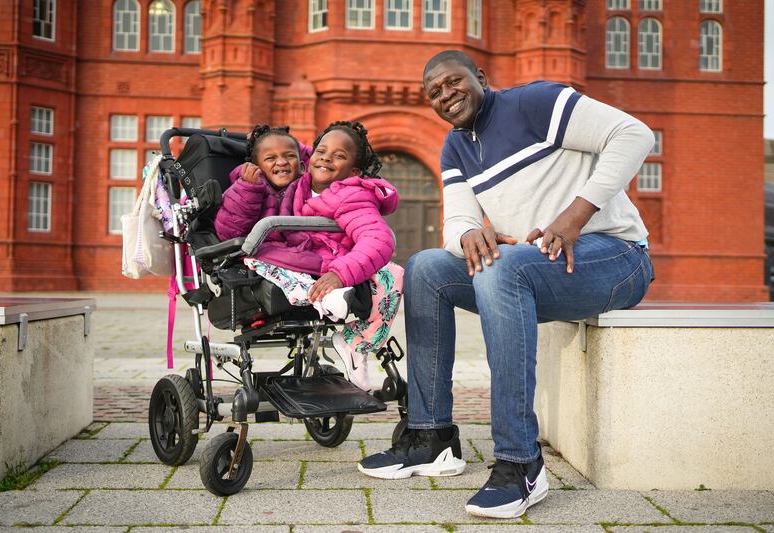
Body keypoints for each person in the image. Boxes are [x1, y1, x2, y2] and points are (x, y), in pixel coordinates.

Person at [358, 50, 655, 519]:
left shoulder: (536, 102)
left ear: (480, 77)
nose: (445, 95)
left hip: (617, 256)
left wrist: (575, 216)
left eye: (453, 82)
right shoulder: (456, 146)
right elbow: (455, 220)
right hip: (541, 266)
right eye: (434, 93)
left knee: (504, 267)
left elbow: (634, 134)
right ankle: (431, 436)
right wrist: (469, 234)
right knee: (427, 268)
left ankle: (521, 463)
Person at [218, 120, 404, 392]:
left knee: (392, 274)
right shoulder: (285, 181)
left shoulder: (350, 193)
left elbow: (378, 239)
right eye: (321, 152)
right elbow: (229, 230)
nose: (327, 158)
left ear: (352, 170)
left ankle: (355, 342)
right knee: (262, 259)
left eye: (338, 156)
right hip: (284, 258)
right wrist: (248, 183)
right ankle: (326, 300)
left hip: (323, 262)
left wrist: (341, 273)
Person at [214, 124, 307, 241]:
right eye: (271, 158)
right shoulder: (243, 188)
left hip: (302, 249)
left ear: (302, 167)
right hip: (261, 251)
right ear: (256, 167)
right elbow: (228, 233)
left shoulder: (307, 186)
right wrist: (249, 189)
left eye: (289, 156)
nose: (282, 162)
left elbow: (319, 154)